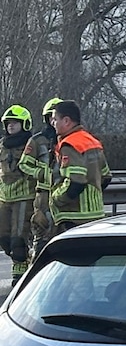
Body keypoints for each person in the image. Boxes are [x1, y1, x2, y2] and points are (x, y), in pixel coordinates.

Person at [49, 100, 112, 231]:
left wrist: (56, 199)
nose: (52, 123)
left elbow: (76, 182)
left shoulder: (69, 145)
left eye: (55, 119)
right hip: (96, 213)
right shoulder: (92, 141)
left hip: (73, 216)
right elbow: (106, 176)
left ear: (66, 121)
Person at [18, 97, 61, 260]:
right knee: (41, 232)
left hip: (64, 194)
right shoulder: (37, 140)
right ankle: (36, 268)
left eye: (56, 117)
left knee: (60, 233)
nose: (53, 120)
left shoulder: (68, 140)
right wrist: (40, 173)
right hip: (43, 194)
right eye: (51, 116)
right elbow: (24, 164)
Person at [0, 106, 36, 282]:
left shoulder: (31, 144)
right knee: (3, 237)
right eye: (8, 123)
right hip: (4, 198)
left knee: (18, 239)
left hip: (24, 197)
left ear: (24, 124)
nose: (10, 126)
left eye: (14, 123)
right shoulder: (2, 145)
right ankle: (22, 259)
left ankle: (21, 272)